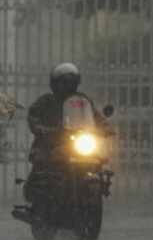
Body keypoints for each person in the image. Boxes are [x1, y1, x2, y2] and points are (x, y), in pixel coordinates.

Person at [24, 62, 107, 205]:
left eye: (71, 82)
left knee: (98, 161)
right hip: (51, 142)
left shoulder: (82, 101)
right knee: (42, 160)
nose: (68, 86)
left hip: (77, 142)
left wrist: (105, 127)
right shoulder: (46, 101)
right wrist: (40, 128)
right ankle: (37, 196)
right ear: (55, 84)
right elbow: (33, 115)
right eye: (64, 82)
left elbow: (94, 116)